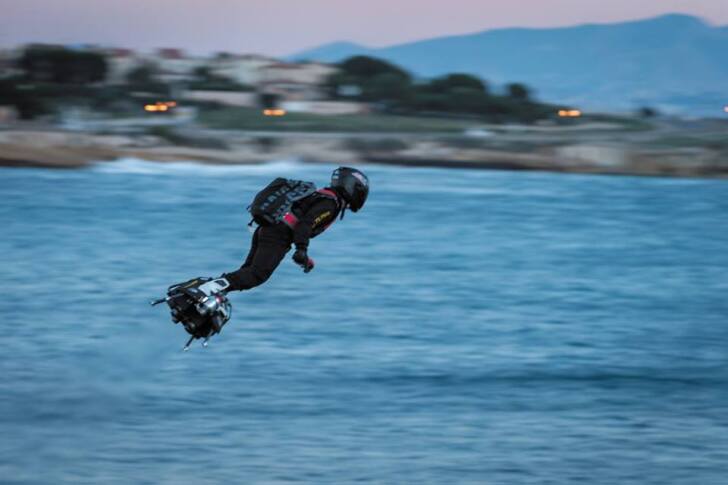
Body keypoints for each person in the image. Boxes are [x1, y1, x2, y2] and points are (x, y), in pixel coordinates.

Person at [194, 166, 369, 297]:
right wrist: (301, 249)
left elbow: (302, 220)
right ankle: (208, 289)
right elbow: (305, 224)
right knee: (256, 275)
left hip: (269, 229)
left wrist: (303, 254)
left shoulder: (324, 195)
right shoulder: (331, 204)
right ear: (353, 188)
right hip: (278, 234)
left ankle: (210, 292)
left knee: (248, 272)